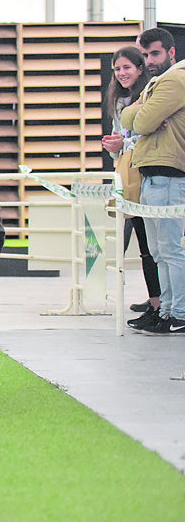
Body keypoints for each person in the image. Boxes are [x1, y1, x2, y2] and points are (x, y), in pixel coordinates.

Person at [124, 27, 185, 335]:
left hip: (169, 173)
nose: (148, 60)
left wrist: (142, 115)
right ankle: (168, 311)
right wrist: (140, 113)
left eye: (155, 54)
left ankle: (178, 313)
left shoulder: (175, 79)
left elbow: (142, 121)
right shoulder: (157, 83)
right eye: (145, 55)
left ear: (171, 52)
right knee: (161, 251)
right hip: (154, 173)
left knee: (170, 249)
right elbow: (127, 117)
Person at [100, 47, 161, 320]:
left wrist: (123, 142)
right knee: (143, 240)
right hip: (128, 176)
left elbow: (149, 136)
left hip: (149, 175)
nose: (122, 73)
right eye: (117, 69)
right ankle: (156, 299)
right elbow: (119, 142)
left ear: (139, 69)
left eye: (127, 67)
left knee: (153, 244)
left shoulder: (149, 97)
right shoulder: (118, 101)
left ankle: (161, 303)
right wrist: (115, 146)